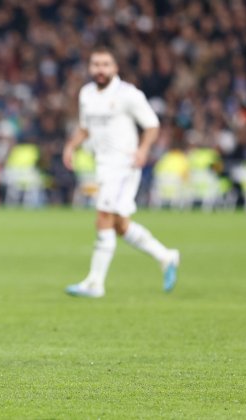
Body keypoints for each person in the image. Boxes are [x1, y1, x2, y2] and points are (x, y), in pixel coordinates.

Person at [62, 47, 180, 298]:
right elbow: (85, 127)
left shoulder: (128, 95)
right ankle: (166, 256)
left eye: (106, 64)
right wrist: (71, 145)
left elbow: (151, 125)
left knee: (103, 215)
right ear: (90, 68)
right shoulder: (87, 94)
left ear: (115, 68)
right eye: (96, 64)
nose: (100, 69)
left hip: (124, 164)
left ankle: (95, 283)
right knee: (120, 225)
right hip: (102, 164)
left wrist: (143, 150)